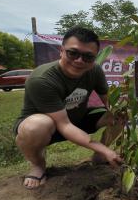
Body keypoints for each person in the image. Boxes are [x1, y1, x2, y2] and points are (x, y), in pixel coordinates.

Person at [14, 27, 123, 189]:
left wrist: (125, 112)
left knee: (120, 114)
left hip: (77, 119)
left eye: (88, 57)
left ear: (94, 58)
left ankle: (100, 157)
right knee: (36, 126)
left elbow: (111, 103)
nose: (80, 61)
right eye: (73, 53)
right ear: (61, 51)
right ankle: (38, 165)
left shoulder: (94, 71)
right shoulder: (42, 79)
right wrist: (104, 147)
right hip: (49, 126)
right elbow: (64, 125)